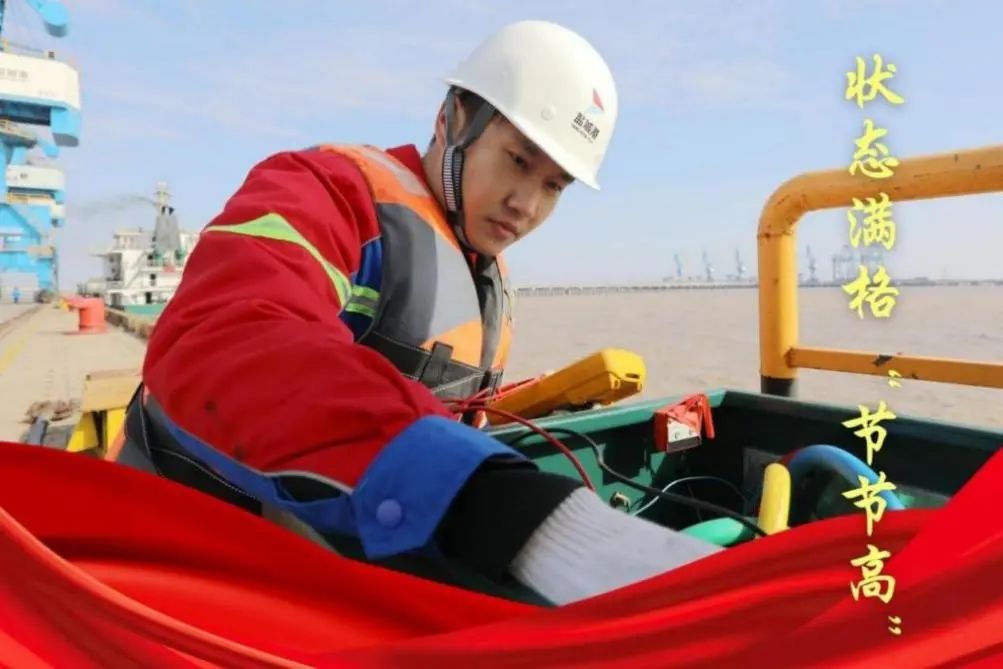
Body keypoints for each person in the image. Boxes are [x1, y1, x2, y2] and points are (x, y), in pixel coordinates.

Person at [120, 19, 721, 605]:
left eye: (554, 186)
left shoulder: (486, 274)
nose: (527, 205)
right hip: (199, 561)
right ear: (452, 118)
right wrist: (493, 503)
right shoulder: (326, 191)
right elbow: (224, 336)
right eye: (518, 160)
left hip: (357, 563)